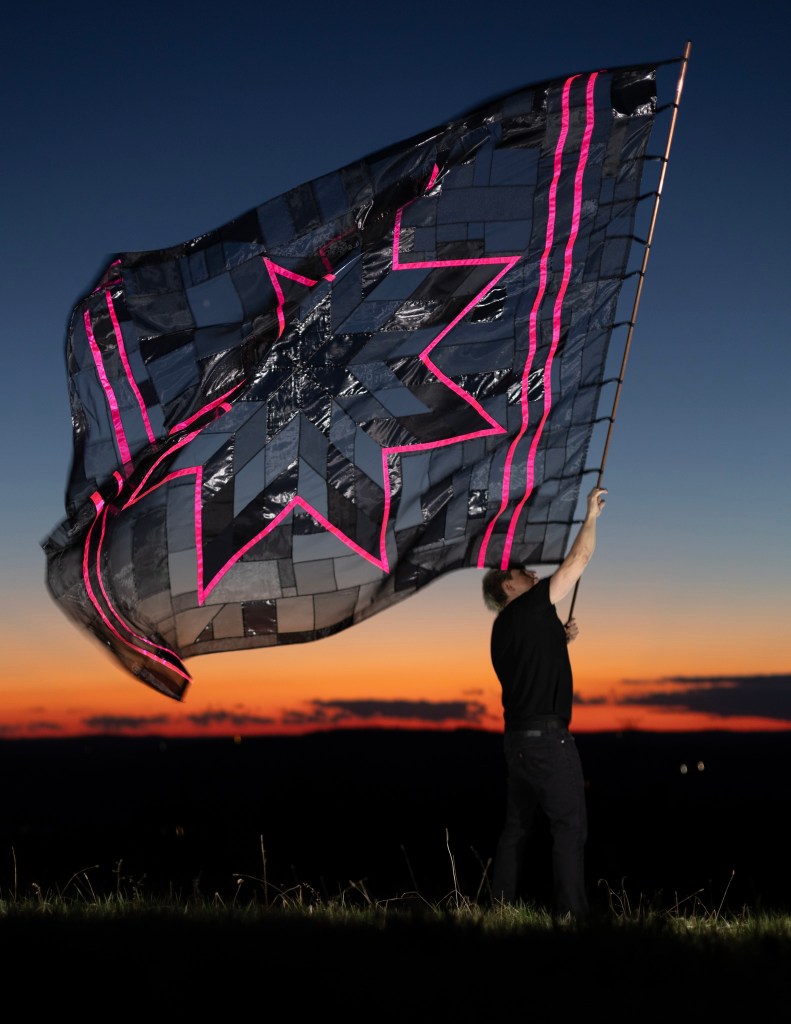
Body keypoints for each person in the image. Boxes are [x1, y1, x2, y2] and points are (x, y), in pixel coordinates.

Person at [481, 485, 607, 920]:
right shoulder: (530, 607)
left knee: (516, 829)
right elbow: (578, 562)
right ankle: (572, 916)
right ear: (507, 585)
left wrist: (557, 638)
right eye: (523, 573)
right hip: (548, 741)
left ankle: (500, 911)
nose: (533, 574)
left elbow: (531, 666)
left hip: (516, 743)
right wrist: (590, 517)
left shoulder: (503, 630)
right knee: (570, 827)